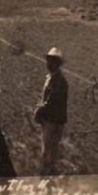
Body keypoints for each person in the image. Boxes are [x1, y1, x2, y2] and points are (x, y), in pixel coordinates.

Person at [34, 47, 69, 176]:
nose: (49, 64)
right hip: (54, 120)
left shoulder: (58, 80)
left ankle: (46, 179)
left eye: (52, 61)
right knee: (51, 152)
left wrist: (39, 111)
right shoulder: (54, 78)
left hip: (52, 121)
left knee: (47, 152)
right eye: (49, 60)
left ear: (57, 63)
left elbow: (52, 100)